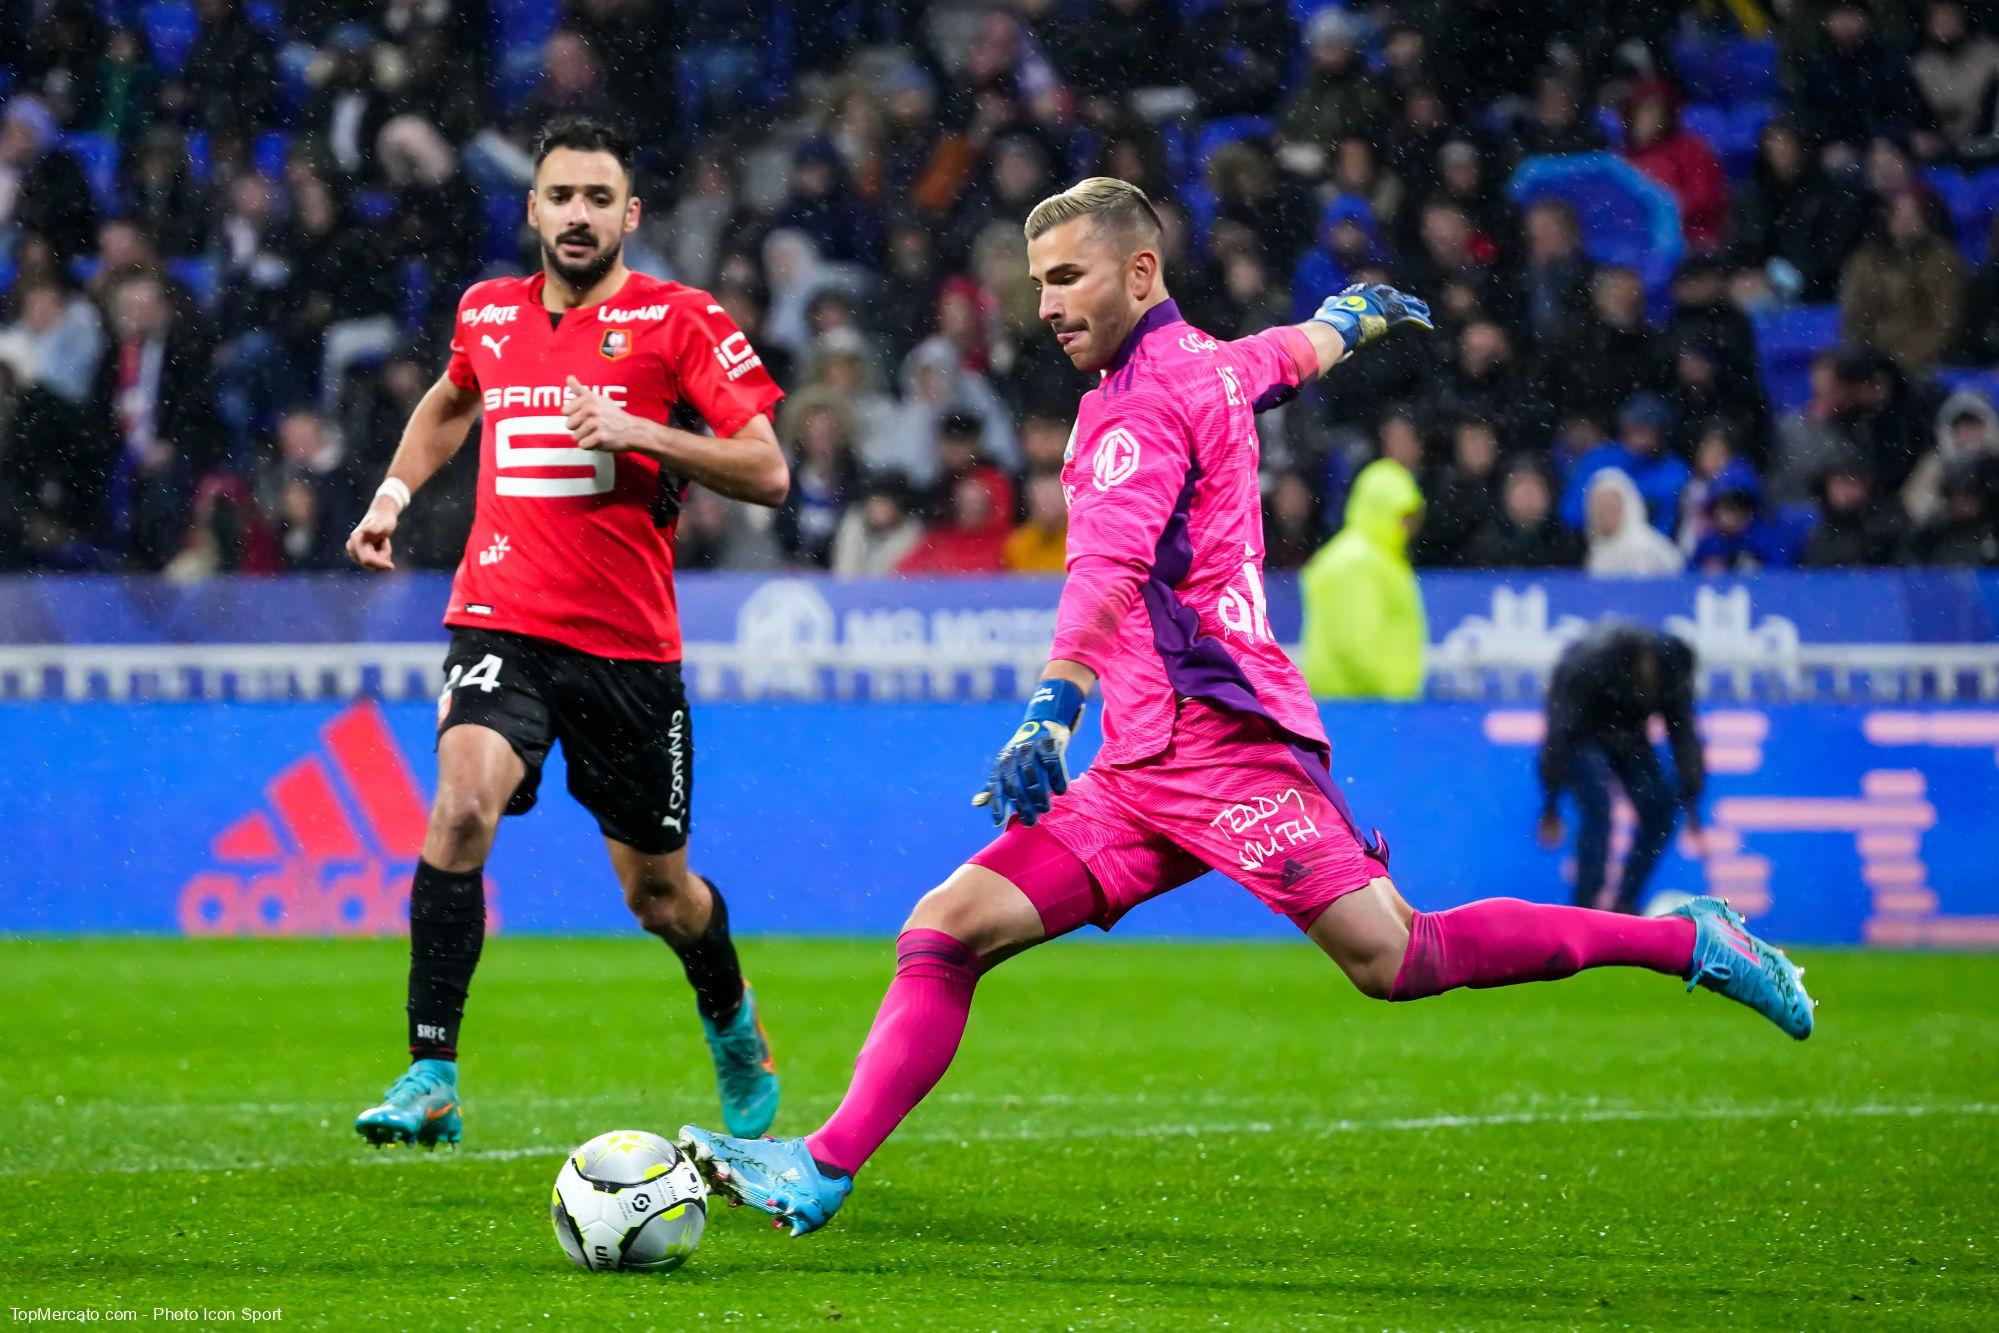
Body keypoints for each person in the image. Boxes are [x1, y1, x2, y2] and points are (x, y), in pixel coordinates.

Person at [676, 178, 1814, 1239]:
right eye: (1036, 284)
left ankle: (1687, 941)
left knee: (1396, 956)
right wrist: (1348, 323)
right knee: (943, 930)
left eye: (1066, 278)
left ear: (1139, 272)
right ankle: (819, 1167)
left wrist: (1045, 717)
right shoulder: (1207, 365)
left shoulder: (1134, 412)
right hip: (1140, 766)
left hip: (1224, 748)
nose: (1045, 306)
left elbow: (1105, 578)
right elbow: (1281, 358)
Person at [342, 117, 788, 1151]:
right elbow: (454, 399)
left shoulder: (680, 322)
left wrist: (641, 431)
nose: (577, 215)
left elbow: (767, 469)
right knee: (459, 808)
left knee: (662, 895)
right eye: (560, 197)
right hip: (500, 619)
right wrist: (395, 490)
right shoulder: (488, 315)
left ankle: (729, 1018)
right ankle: (432, 1069)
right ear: (532, 209)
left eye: (598, 199)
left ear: (628, 216)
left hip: (629, 652)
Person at [1537, 623, 1706, 916]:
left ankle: (1626, 905)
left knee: (1661, 810)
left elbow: (1684, 739)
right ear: (1645, 660)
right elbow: (1559, 731)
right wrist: (1551, 803)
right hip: (1583, 734)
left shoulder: (1672, 680)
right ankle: (1584, 911)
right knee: (1597, 811)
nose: (1655, 689)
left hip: (1629, 735)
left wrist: (1691, 804)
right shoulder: (1594, 662)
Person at [1300, 458, 1428, 699]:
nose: (1410, 526)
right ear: (1382, 509)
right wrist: (1392, 691)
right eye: (1403, 515)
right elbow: (1354, 646)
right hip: (1360, 706)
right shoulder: (1359, 561)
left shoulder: (1372, 557)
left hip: (1355, 704)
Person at [1584, 468, 1686, 577]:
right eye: (1601, 509)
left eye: (1612, 508)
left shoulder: (1642, 549)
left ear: (1628, 507)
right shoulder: (1600, 549)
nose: (1606, 515)